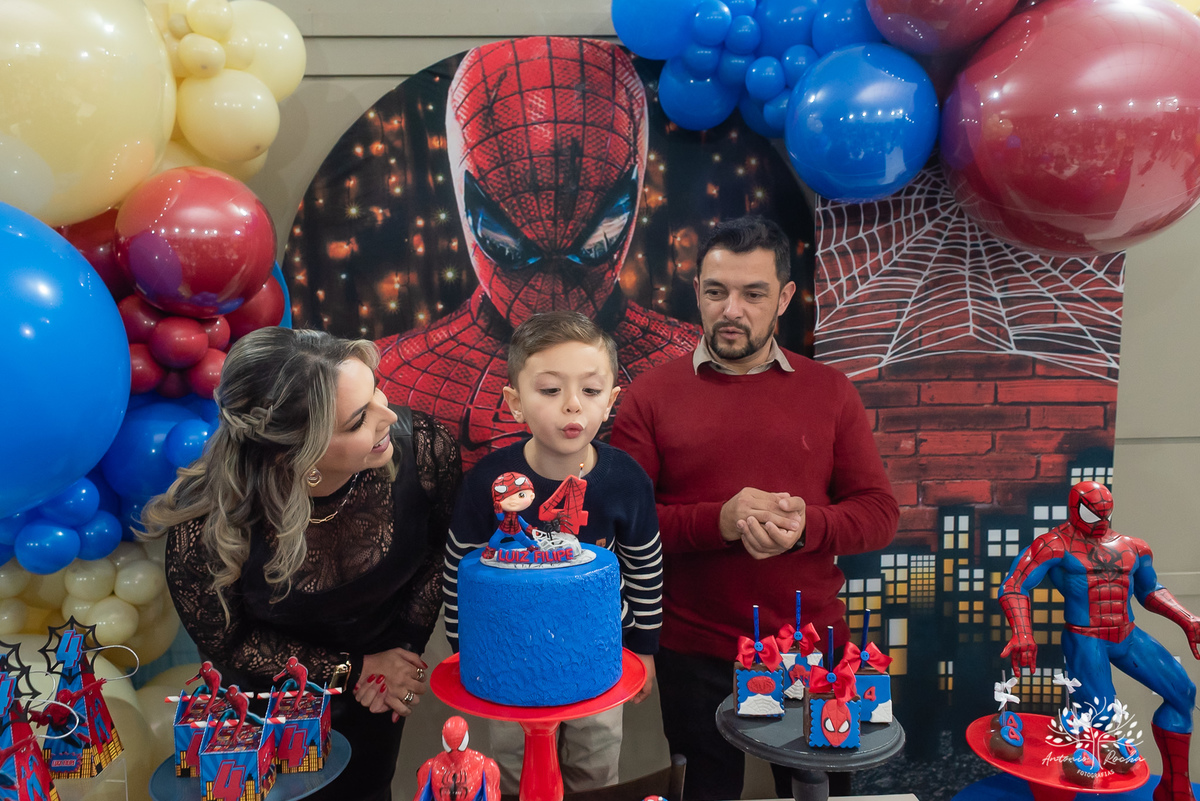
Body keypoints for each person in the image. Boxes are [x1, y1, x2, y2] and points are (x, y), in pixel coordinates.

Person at [610, 216, 899, 800]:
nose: (731, 310)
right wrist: (721, 521)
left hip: (812, 653)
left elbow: (878, 512)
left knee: (818, 794)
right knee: (707, 791)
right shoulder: (649, 396)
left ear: (785, 298)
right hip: (693, 651)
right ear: (698, 292)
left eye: (753, 293)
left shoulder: (830, 391)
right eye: (716, 292)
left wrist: (804, 528)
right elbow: (624, 526)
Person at [141, 327, 461, 801]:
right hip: (267, 707)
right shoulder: (206, 528)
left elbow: (442, 553)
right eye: (358, 420)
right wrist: (356, 669)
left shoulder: (427, 449)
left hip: (379, 685)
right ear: (294, 454)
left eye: (377, 392)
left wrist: (398, 662)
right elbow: (229, 642)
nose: (389, 416)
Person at [376, 36, 699, 469]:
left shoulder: (688, 365)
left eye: (597, 237)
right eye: (505, 242)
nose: (549, 285)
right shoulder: (394, 376)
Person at [443, 310, 663, 793]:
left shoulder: (626, 480)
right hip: (509, 658)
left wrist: (642, 649)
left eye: (589, 390)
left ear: (611, 401)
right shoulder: (488, 481)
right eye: (549, 390)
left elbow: (646, 569)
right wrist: (468, 653)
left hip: (599, 655)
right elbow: (460, 573)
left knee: (595, 769)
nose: (572, 407)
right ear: (514, 402)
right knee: (517, 771)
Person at [1000, 480, 1200, 801]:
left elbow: (1150, 591)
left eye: (1106, 515)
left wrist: (1186, 618)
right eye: (1093, 516)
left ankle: (1174, 789)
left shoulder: (1133, 546)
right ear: (1075, 509)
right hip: (1085, 638)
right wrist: (1023, 632)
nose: (1102, 524)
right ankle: (1061, 793)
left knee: (1183, 694)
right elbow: (1014, 586)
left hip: (1127, 634)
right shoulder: (1054, 545)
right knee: (1098, 716)